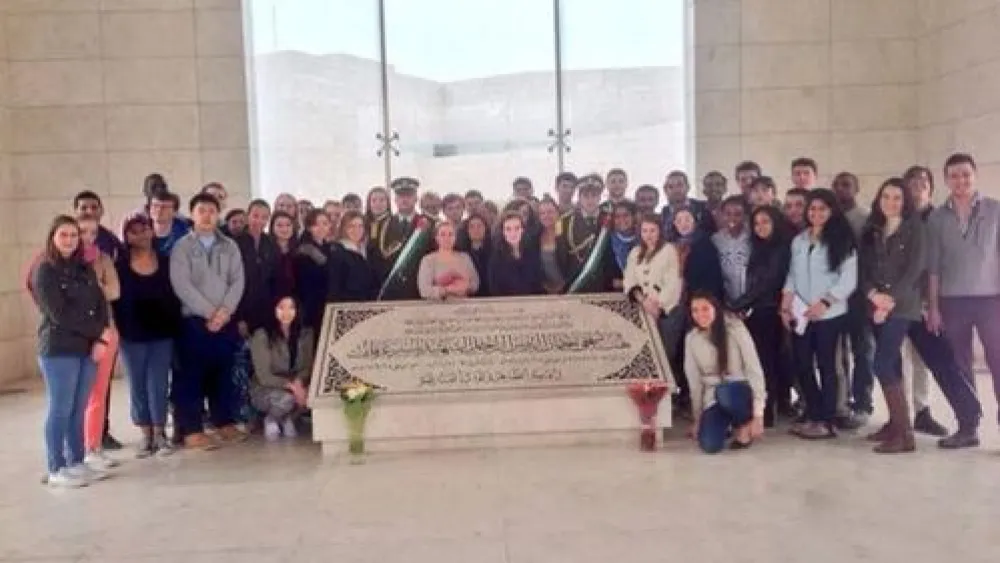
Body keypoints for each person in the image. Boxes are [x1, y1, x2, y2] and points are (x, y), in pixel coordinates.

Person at [926, 153, 1000, 449]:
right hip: (952, 301)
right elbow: (933, 267)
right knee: (960, 365)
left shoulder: (995, 210)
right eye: (954, 176)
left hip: (991, 300)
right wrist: (932, 307)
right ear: (946, 180)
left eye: (965, 174)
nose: (961, 181)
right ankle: (968, 426)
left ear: (975, 175)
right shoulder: (937, 217)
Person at [33, 215, 113, 487]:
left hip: (87, 349)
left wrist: (103, 337)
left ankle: (76, 461)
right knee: (60, 409)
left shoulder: (84, 267)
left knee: (78, 408)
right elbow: (60, 315)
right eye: (63, 235)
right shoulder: (45, 270)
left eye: (73, 235)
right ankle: (56, 467)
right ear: (53, 238)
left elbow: (101, 303)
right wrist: (97, 333)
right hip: (59, 350)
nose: (69, 240)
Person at [169, 193, 246, 450]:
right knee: (191, 377)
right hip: (194, 322)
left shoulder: (230, 246)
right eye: (201, 210)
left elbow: (238, 281)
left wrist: (224, 312)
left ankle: (224, 422)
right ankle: (191, 429)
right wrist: (209, 312)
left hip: (224, 322)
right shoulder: (181, 247)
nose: (207, 215)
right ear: (192, 214)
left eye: (212, 210)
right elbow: (182, 285)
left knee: (223, 374)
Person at [782, 188, 858, 440]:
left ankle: (827, 420)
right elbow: (792, 275)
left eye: (822, 209)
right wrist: (786, 302)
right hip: (802, 313)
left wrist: (826, 302)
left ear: (832, 211)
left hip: (830, 314)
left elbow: (848, 279)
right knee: (802, 364)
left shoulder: (842, 240)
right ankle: (814, 413)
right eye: (812, 209)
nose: (816, 213)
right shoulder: (799, 241)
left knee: (827, 365)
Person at [113, 214, 181, 458]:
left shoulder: (166, 261)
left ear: (152, 232)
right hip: (132, 333)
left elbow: (175, 295)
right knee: (137, 384)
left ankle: (161, 432)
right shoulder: (119, 266)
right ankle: (145, 434)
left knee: (159, 383)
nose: (140, 235)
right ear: (126, 236)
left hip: (162, 332)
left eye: (144, 230)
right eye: (134, 231)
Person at [729, 206, 793, 427]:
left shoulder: (780, 249)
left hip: (771, 311)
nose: (761, 227)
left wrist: (738, 303)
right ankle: (762, 408)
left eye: (766, 222)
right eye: (756, 223)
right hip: (757, 310)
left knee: (767, 362)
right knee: (757, 362)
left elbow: (768, 282)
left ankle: (767, 411)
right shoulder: (759, 248)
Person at [72, 191, 126, 451]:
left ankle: (97, 439)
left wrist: (88, 287)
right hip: (72, 334)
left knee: (99, 390)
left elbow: (114, 291)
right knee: (74, 393)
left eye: (94, 207)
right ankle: (74, 447)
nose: (88, 211)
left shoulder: (107, 251)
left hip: (104, 329)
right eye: (83, 207)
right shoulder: (59, 257)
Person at [900, 165, 949, 436]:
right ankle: (901, 414)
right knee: (898, 358)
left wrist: (934, 304)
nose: (917, 185)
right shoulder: (898, 216)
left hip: (928, 300)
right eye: (912, 181)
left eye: (923, 181)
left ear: (931, 186)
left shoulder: (939, 218)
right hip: (899, 299)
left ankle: (922, 410)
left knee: (922, 358)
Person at [684, 292, 766, 453]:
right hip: (712, 396)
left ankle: (743, 424)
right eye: (695, 310)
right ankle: (725, 425)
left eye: (705, 309)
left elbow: (754, 369)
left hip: (737, 391)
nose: (700, 314)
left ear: (716, 308)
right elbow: (694, 381)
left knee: (725, 393)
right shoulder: (692, 338)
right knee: (709, 445)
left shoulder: (735, 328)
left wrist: (758, 415)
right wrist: (698, 418)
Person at [832, 171, 875, 428]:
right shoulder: (829, 219)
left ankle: (863, 403)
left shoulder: (866, 219)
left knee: (863, 351)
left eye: (846, 185)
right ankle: (841, 403)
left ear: (856, 188)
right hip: (835, 297)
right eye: (836, 185)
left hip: (860, 295)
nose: (841, 189)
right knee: (839, 354)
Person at [623, 214, 683, 384]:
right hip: (643, 309)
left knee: (666, 354)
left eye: (652, 230)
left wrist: (658, 304)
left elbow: (673, 281)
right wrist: (643, 300)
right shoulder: (635, 253)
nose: (648, 235)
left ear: (660, 231)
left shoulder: (669, 250)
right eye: (645, 231)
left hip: (666, 311)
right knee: (647, 355)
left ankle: (670, 394)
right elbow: (629, 279)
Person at [249, 296, 313, 441]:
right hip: (267, 387)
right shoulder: (261, 335)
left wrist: (298, 383)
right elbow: (264, 376)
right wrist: (292, 387)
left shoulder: (306, 333)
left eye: (291, 308)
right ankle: (272, 419)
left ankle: (287, 418)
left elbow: (307, 367)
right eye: (281, 308)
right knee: (287, 399)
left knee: (311, 395)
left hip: (295, 383)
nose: (286, 313)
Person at [557, 175, 612, 291]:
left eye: (594, 195)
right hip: (576, 282)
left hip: (604, 284)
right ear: (579, 197)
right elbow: (561, 256)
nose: (590, 200)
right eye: (585, 196)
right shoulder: (564, 221)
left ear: (600, 198)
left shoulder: (610, 219)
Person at [235, 200, 277, 337]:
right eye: (255, 216)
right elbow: (232, 281)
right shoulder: (236, 242)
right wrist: (239, 317)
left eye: (264, 217)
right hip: (242, 309)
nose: (259, 221)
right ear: (248, 216)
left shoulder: (270, 243)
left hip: (266, 310)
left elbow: (273, 279)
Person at [370, 178, 422, 291]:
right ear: (395, 199)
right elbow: (375, 258)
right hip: (389, 287)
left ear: (416, 199)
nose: (404, 199)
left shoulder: (427, 224)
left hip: (418, 288)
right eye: (401, 196)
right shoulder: (380, 225)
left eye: (408, 195)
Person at [294, 209, 333, 337]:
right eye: (316, 224)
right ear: (309, 227)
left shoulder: (330, 248)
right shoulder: (304, 250)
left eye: (325, 223)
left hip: (327, 305)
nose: (321, 228)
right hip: (311, 307)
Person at [417, 221, 480, 300]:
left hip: (463, 306)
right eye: (443, 234)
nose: (447, 238)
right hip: (437, 307)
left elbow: (475, 283)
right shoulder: (428, 260)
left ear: (455, 237)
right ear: (437, 238)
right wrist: (447, 290)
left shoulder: (465, 258)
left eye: (450, 234)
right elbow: (424, 290)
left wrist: (465, 287)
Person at [674, 208, 724, 303]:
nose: (683, 224)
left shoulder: (704, 242)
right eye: (679, 221)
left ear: (695, 222)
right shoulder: (675, 245)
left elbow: (712, 277)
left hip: (704, 296)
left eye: (687, 219)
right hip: (682, 296)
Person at [328, 210, 380, 302]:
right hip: (347, 307)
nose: (357, 230)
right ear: (343, 228)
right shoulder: (337, 252)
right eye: (351, 226)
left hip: (369, 305)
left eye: (360, 226)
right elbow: (334, 288)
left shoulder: (369, 251)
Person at [489, 212, 545, 296]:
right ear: (503, 232)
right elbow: (495, 290)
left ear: (522, 230)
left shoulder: (532, 254)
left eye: (517, 228)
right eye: (508, 229)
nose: (513, 233)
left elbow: (538, 284)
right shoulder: (496, 259)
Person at [712, 196, 752, 308]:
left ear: (745, 216)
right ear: (721, 215)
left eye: (738, 214)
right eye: (727, 214)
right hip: (726, 299)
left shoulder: (752, 237)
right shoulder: (716, 240)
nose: (732, 218)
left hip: (751, 298)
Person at [661, 171, 714, 238]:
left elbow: (711, 234)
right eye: (671, 187)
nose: (676, 190)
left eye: (679, 185)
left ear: (688, 187)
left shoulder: (702, 207)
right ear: (665, 190)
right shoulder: (665, 211)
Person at [458, 213, 492, 297]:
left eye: (479, 226)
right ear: (467, 230)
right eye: (472, 227)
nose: (476, 230)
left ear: (486, 228)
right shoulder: (460, 254)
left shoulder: (495, 252)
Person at [537, 199, 565, 294]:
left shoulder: (566, 233)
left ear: (557, 213)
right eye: (542, 213)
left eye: (550, 212)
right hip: (546, 291)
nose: (546, 216)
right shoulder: (536, 236)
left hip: (569, 288)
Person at [609, 201, 638, 291]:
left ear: (634, 217)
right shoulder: (607, 242)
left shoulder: (644, 239)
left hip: (644, 294)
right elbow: (605, 276)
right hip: (613, 296)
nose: (622, 219)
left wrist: (624, 283)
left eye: (626, 215)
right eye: (617, 216)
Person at [269, 211, 298, 300]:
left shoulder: (299, 250)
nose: (284, 229)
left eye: (288, 225)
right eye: (279, 225)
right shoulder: (266, 250)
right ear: (272, 228)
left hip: (294, 301)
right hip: (270, 300)